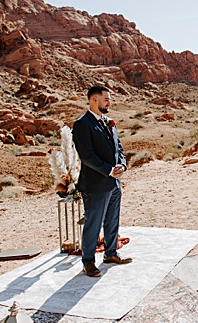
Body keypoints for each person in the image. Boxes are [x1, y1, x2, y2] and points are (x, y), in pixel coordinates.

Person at [72, 85, 132, 278]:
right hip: (96, 184)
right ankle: (88, 262)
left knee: (113, 220)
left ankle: (110, 253)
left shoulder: (108, 122)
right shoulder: (82, 124)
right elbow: (87, 156)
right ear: (94, 100)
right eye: (106, 99)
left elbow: (119, 149)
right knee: (93, 223)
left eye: (110, 99)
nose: (109, 102)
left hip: (114, 183)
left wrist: (122, 165)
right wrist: (108, 170)